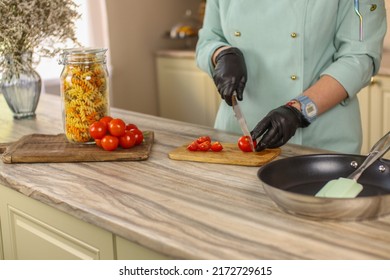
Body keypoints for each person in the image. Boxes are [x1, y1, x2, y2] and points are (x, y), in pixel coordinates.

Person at [195, 0, 387, 154]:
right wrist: (221, 54)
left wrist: (299, 110)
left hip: (318, 143)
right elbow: (208, 40)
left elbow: (360, 57)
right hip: (236, 137)